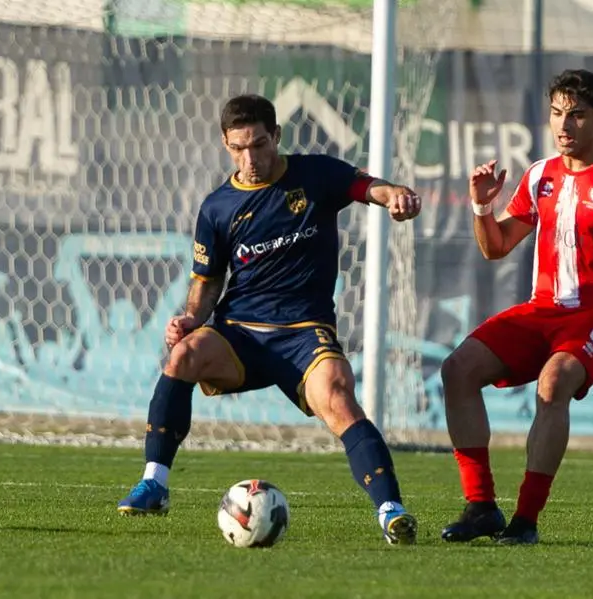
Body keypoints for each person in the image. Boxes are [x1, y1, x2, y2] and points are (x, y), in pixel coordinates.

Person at [117, 94, 421, 545]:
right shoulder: (217, 208)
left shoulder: (314, 174)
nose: (250, 157)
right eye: (239, 148)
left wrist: (393, 193)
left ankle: (390, 510)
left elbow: (366, 186)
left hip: (303, 334)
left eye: (259, 145)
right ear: (225, 143)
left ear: (276, 136)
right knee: (183, 355)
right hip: (239, 334)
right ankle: (154, 484)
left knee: (337, 394)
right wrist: (188, 319)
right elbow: (206, 283)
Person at [440, 69, 593, 545]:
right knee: (458, 369)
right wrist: (480, 209)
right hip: (543, 309)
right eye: (557, 113)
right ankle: (481, 508)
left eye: (576, 115)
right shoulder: (540, 175)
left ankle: (525, 522)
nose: (564, 125)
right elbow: (496, 248)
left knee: (553, 383)